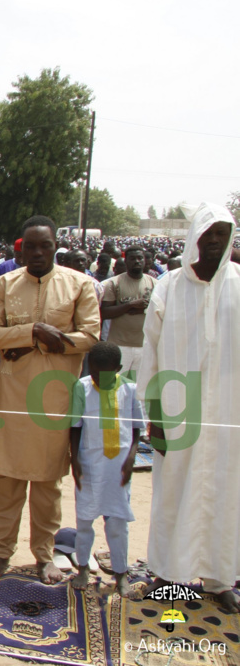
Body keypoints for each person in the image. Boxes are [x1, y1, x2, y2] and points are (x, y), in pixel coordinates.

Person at [0, 215, 100, 584]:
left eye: (44, 246)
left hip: (55, 397)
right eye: (29, 246)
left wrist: (56, 340)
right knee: (9, 480)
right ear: (21, 248)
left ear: (54, 247)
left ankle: (44, 555)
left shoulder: (79, 285)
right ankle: (2, 550)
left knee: (48, 484)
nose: (36, 252)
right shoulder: (4, 284)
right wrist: (32, 332)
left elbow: (91, 335)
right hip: (13, 397)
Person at [137, 203, 240, 613]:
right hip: (178, 411)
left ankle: (220, 577)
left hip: (230, 415)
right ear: (194, 238)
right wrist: (155, 416)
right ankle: (169, 575)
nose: (213, 240)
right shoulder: (169, 286)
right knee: (174, 492)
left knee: (226, 493)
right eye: (207, 233)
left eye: (221, 233)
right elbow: (151, 352)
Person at [69, 341, 143, 596]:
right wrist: (74, 459)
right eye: (95, 372)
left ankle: (121, 574)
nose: (99, 378)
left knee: (117, 523)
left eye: (106, 373)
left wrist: (131, 458)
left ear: (119, 368)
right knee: (85, 520)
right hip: (89, 464)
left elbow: (136, 429)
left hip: (118, 467)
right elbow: (75, 426)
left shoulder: (130, 390)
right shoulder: (82, 387)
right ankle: (82, 569)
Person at [99, 246, 156, 382]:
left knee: (140, 388)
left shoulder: (155, 283)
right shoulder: (114, 283)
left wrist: (141, 309)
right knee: (115, 385)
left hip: (144, 345)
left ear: (145, 260)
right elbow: (105, 313)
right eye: (132, 258)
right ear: (126, 261)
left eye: (140, 258)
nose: (137, 261)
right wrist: (129, 305)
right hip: (119, 345)